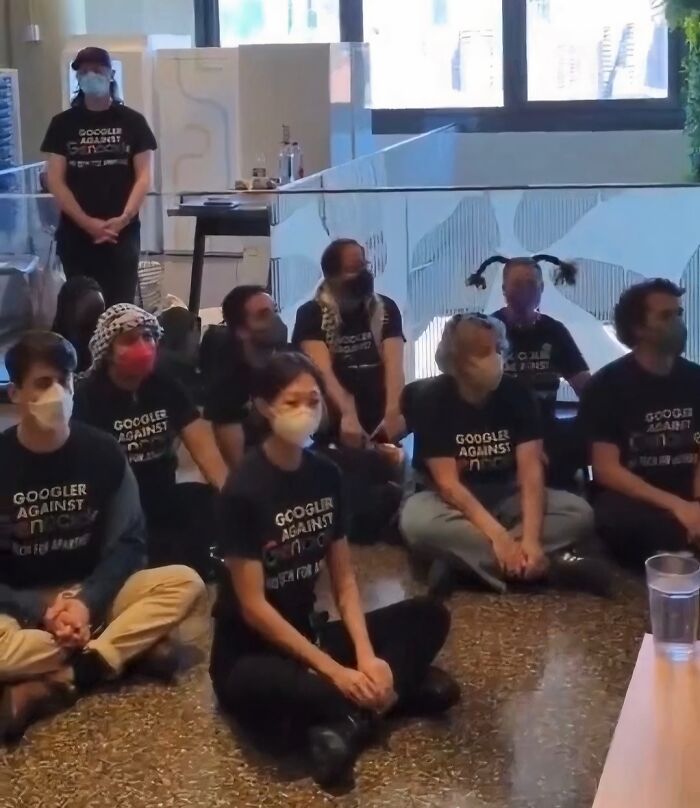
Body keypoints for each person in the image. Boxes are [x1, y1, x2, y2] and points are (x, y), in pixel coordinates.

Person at [210, 352, 459, 787]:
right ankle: (387, 698)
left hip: (310, 633)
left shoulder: (325, 474)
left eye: (313, 400)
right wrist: (336, 672)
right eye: (291, 402)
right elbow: (253, 608)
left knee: (430, 615)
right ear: (265, 407)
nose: (305, 411)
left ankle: (349, 722)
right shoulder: (244, 489)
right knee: (293, 706)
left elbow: (344, 579)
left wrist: (365, 657)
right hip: (251, 654)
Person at [0, 332, 206, 742]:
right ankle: (123, 646)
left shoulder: (104, 452)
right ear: (15, 393)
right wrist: (41, 607)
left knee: (187, 582)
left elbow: (130, 542)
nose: (58, 392)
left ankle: (68, 673)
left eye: (66, 380)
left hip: (91, 594)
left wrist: (85, 602)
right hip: (20, 600)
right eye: (43, 383)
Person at [399, 313, 604, 597]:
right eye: (484, 352)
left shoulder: (518, 395)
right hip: (449, 502)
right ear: (457, 358)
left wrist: (530, 540)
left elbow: (531, 472)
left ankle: (465, 565)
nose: (496, 359)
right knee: (416, 523)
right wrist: (498, 537)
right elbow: (448, 485)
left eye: (498, 349)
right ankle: (544, 567)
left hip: (507, 495)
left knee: (579, 513)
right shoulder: (432, 400)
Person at [73, 304, 228, 578]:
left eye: (148, 337)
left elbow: (202, 443)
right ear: (108, 350)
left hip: (161, 496)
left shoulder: (165, 385)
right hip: (113, 506)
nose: (143, 346)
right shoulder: (86, 396)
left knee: (207, 503)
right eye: (130, 340)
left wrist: (230, 493)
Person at [579, 278, 700, 569]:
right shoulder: (607, 386)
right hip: (637, 495)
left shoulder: (695, 379)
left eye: (679, 314)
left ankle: (682, 546)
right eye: (666, 316)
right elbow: (607, 470)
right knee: (618, 520)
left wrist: (697, 502)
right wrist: (677, 506)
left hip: (689, 489)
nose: (678, 323)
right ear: (638, 328)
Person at [292, 240, 406, 543]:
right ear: (331, 275)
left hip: (379, 412)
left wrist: (394, 411)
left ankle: (385, 468)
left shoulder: (385, 309)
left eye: (364, 265)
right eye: (354, 269)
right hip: (337, 416)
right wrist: (349, 414)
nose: (364, 274)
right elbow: (323, 373)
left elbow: (395, 366)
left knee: (423, 397)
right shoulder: (311, 314)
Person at [41, 46, 157, 307]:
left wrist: (123, 219)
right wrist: (86, 222)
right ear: (78, 79)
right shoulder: (62, 124)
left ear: (110, 74)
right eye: (83, 71)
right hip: (76, 235)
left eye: (97, 70)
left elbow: (143, 177)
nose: (90, 76)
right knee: (80, 309)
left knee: (120, 308)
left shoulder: (133, 122)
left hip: (122, 234)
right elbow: (55, 180)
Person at [470, 254, 590, 488]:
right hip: (496, 435)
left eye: (531, 284)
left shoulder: (554, 332)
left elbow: (586, 387)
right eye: (517, 285)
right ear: (504, 289)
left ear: (542, 288)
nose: (524, 291)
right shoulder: (486, 331)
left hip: (546, 430)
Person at [203, 285, 289, 473]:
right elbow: (238, 467)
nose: (275, 320)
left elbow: (318, 424)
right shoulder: (227, 384)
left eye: (275, 311)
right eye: (263, 315)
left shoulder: (293, 363)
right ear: (242, 330)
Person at [52, 276, 105, 373]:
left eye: (100, 313)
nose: (97, 325)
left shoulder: (105, 346)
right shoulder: (55, 353)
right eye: (89, 313)